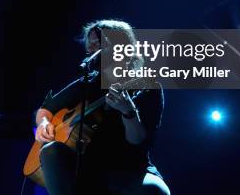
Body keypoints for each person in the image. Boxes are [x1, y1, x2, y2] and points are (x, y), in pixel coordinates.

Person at [33, 20, 169, 195]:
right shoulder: (88, 83)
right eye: (90, 45)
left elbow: (137, 140)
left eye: (98, 44)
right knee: (50, 150)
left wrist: (128, 111)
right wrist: (43, 123)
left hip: (131, 168)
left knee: (155, 191)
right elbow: (46, 108)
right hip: (87, 164)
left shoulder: (147, 85)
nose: (91, 50)